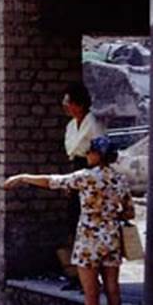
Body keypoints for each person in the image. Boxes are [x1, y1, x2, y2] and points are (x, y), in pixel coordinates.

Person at [3, 135, 133, 305]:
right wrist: (110, 214)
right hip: (111, 239)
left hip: (89, 240)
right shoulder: (119, 180)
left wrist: (24, 177)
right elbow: (129, 211)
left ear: (97, 155)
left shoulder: (85, 177)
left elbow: (53, 181)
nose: (87, 155)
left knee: (91, 293)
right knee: (113, 290)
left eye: (90, 151)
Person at [60, 82, 106, 291]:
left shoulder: (92, 124)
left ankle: (92, 277)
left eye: (69, 102)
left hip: (90, 172)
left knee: (88, 225)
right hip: (75, 171)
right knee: (74, 223)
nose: (66, 106)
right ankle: (77, 274)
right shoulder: (71, 126)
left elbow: (100, 153)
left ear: (78, 104)